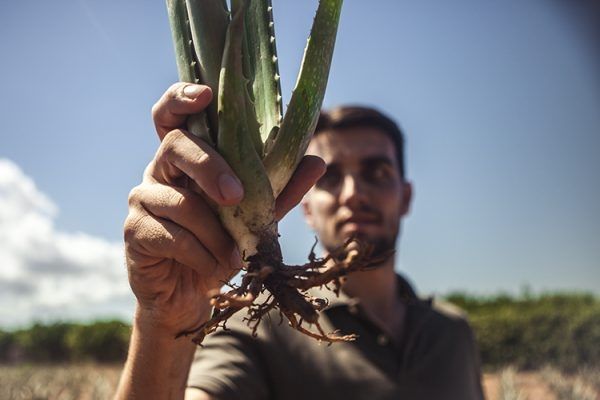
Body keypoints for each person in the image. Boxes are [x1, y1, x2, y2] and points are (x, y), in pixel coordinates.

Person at [115, 83, 484, 400]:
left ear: (405, 197)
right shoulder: (255, 327)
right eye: (332, 177)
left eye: (377, 172)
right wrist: (164, 320)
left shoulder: (452, 330)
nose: (354, 194)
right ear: (307, 206)